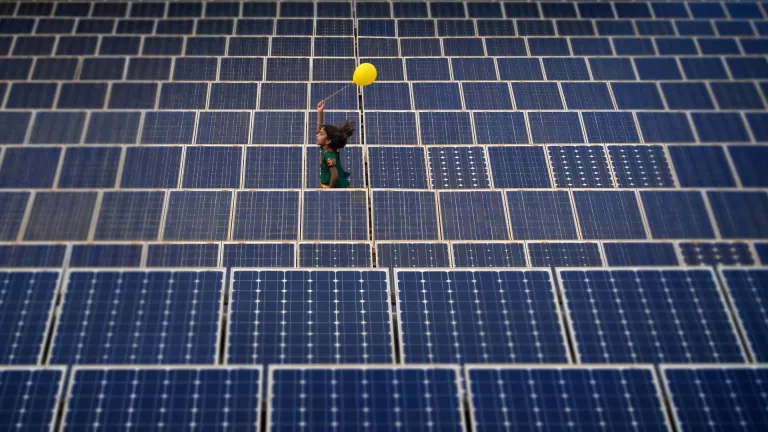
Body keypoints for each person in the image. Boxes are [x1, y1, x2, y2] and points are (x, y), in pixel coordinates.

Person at [316, 100, 353, 189]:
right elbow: (319, 128)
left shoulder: (329, 155)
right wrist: (320, 111)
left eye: (321, 134)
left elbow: (335, 175)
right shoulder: (325, 148)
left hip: (339, 188)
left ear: (328, 141)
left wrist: (330, 190)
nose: (317, 135)